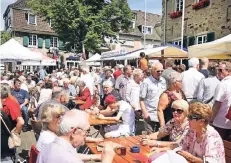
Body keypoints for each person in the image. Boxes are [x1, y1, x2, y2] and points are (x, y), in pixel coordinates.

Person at [37, 109, 117, 163]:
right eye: (86, 131)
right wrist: (107, 159)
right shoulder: (70, 159)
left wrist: (95, 156)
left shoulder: (48, 147)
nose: (86, 135)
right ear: (74, 132)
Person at [140, 62, 166, 133]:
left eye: (162, 71)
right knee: (150, 137)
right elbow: (141, 99)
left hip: (161, 114)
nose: (160, 72)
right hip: (150, 114)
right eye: (158, 71)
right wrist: (145, 112)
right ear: (152, 71)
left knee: (160, 135)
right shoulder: (146, 82)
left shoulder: (163, 81)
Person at [212, 61, 231, 140]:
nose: (218, 72)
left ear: (228, 71)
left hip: (220, 123)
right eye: (217, 69)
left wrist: (210, 119)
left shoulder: (222, 84)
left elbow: (217, 104)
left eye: (220, 70)